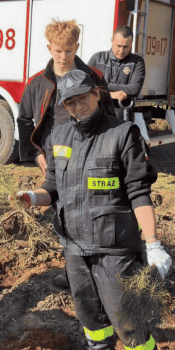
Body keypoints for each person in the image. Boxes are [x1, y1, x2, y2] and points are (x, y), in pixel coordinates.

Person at [15, 70, 175, 350]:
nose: (77, 106)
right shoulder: (58, 136)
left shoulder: (123, 134)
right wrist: (32, 198)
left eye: (82, 98)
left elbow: (139, 192)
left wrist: (153, 242)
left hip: (114, 248)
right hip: (75, 248)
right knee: (92, 320)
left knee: (129, 324)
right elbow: (52, 188)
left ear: (96, 93)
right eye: (70, 102)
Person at [17, 19, 109, 290]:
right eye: (58, 51)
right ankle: (74, 272)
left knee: (91, 209)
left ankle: (99, 267)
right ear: (49, 48)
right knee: (63, 211)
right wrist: (37, 154)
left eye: (69, 51)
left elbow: (109, 116)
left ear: (77, 47)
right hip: (55, 157)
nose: (63, 56)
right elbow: (24, 120)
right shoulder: (37, 82)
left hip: (89, 154)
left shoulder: (93, 77)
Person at [87, 26, 145, 112]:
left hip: (122, 116)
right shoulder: (97, 58)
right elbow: (86, 85)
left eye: (125, 47)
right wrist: (110, 94)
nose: (121, 51)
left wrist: (104, 86)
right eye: (119, 46)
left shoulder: (137, 61)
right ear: (112, 40)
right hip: (96, 113)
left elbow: (134, 89)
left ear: (131, 43)